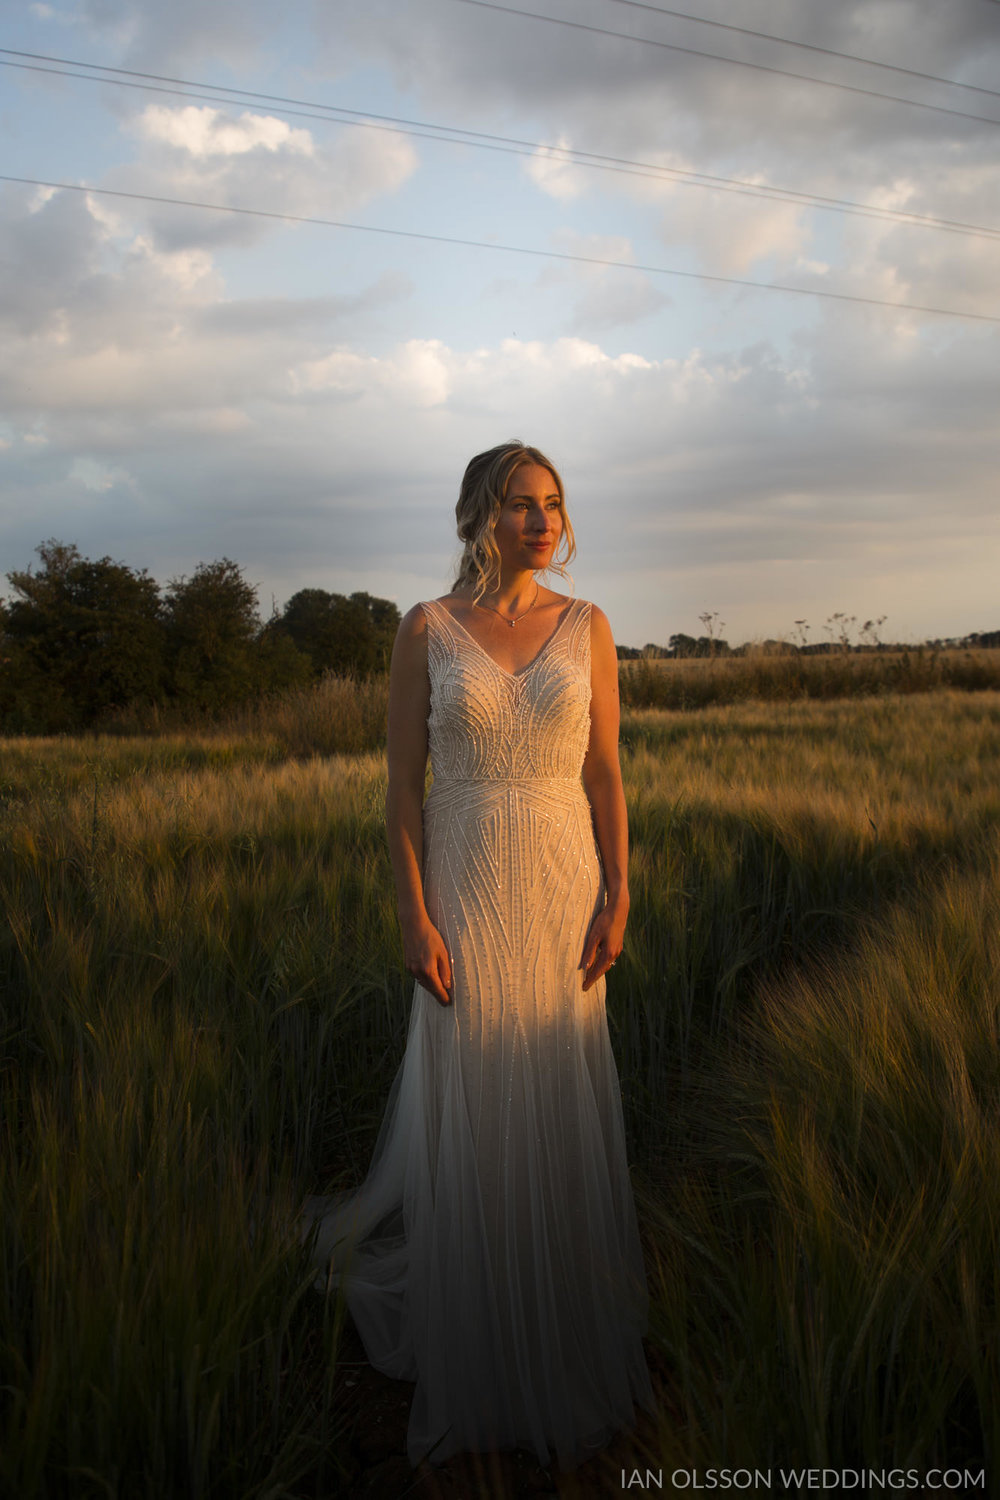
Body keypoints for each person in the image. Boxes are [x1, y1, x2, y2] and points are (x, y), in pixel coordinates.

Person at [307, 440, 653, 1470]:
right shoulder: (427, 630)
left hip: (559, 889)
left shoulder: (588, 629)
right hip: (461, 891)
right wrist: (412, 915)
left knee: (548, 1082)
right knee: (472, 1092)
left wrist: (618, 893)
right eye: (518, 504)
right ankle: (479, 1328)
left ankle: (559, 1320)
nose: (540, 520)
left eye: (552, 504)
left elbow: (605, 778)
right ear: (479, 516)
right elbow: (401, 790)